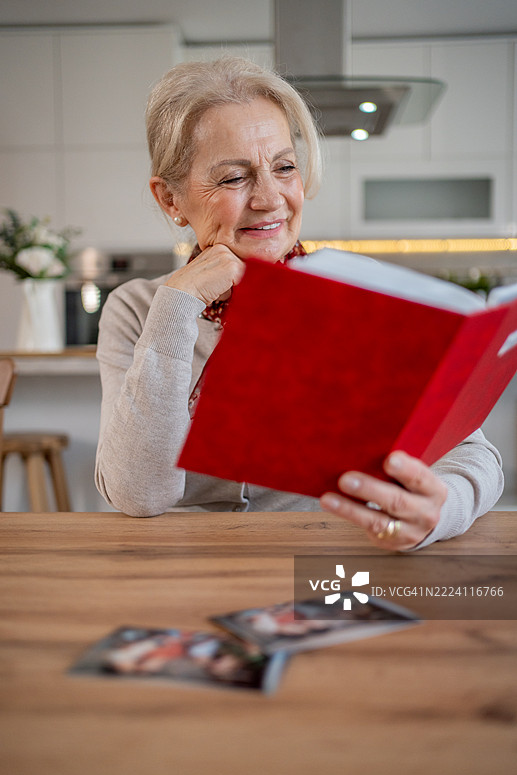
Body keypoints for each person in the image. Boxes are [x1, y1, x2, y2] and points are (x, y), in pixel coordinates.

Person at [95, 56, 503, 551]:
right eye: (233, 177)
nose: (270, 199)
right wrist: (177, 306)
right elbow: (139, 494)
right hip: (184, 561)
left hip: (324, 556)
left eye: (284, 167)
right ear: (171, 200)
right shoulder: (139, 309)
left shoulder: (358, 298)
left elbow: (473, 456)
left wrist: (440, 510)